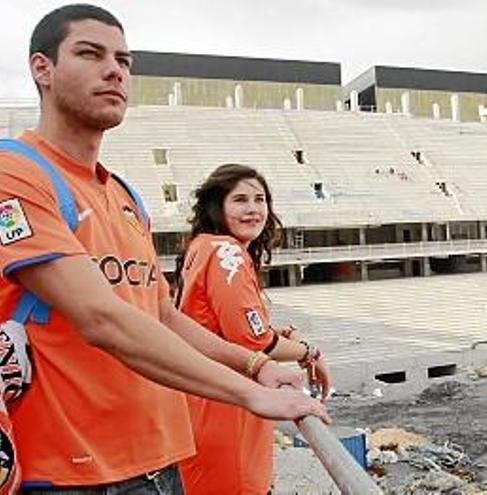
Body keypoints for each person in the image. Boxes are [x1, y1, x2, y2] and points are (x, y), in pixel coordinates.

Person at [0, 4, 329, 492]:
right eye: (90, 54)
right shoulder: (16, 173)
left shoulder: (125, 196)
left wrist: (256, 366)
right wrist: (248, 393)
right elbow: (101, 318)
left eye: (124, 60)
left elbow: (163, 315)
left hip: (161, 462)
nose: (114, 70)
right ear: (41, 69)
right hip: (72, 474)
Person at [173, 163, 332, 494]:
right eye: (240, 200)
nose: (253, 209)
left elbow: (219, 324)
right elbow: (255, 340)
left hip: (202, 400)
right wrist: (309, 353)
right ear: (219, 206)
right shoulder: (225, 253)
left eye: (260, 200)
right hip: (227, 409)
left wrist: (283, 335)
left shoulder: (201, 246)